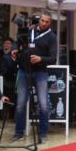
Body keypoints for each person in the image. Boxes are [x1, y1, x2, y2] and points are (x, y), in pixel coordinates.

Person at [10, 12, 56, 143]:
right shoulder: (29, 30)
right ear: (39, 20)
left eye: (47, 22)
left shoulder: (52, 37)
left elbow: (53, 58)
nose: (44, 23)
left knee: (43, 104)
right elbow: (17, 42)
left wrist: (40, 58)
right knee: (20, 104)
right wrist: (14, 50)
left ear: (50, 23)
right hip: (24, 70)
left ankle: (43, 134)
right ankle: (19, 133)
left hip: (40, 72)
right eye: (42, 20)